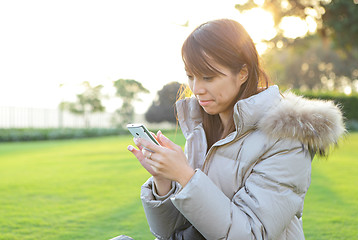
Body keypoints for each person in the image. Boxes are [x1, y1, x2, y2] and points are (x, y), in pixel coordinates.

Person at [126, 19, 345, 239]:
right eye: (191, 76)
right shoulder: (201, 130)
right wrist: (163, 180)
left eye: (208, 77)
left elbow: (250, 234)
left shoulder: (286, 139)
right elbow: (169, 233)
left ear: (242, 73)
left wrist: (185, 176)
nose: (197, 89)